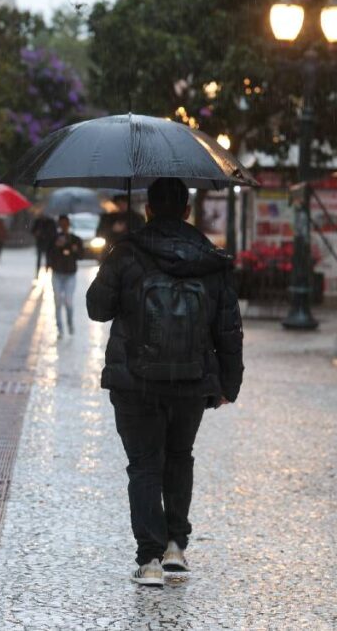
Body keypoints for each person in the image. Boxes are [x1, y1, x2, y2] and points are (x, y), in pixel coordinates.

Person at [86, 178, 243, 587]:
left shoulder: (127, 252)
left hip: (134, 380)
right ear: (187, 211)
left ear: (149, 209)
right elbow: (228, 329)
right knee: (179, 456)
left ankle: (150, 560)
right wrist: (228, 383)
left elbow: (97, 309)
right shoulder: (212, 259)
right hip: (191, 379)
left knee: (144, 466)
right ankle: (176, 546)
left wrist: (117, 262)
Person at [47, 214, 84, 338]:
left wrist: (75, 250)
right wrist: (56, 246)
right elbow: (49, 254)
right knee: (57, 301)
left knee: (68, 301)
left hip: (70, 274)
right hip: (57, 273)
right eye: (61, 224)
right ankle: (60, 328)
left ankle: (70, 322)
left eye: (65, 224)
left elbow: (81, 256)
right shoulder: (54, 239)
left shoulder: (75, 239)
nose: (63, 226)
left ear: (68, 224)